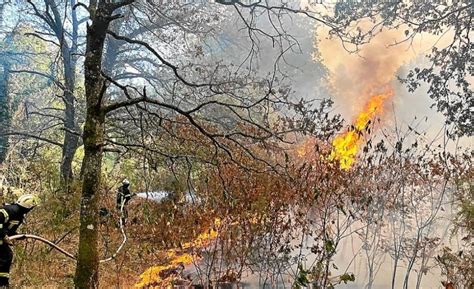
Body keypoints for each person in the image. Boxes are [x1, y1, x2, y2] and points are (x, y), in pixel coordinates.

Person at [0, 194, 40, 287]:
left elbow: (9, 231)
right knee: (6, 257)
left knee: (6, 256)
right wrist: (3, 235)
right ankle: (2, 283)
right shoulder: (9, 210)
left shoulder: (18, 215)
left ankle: (3, 283)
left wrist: (20, 236)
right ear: (28, 207)